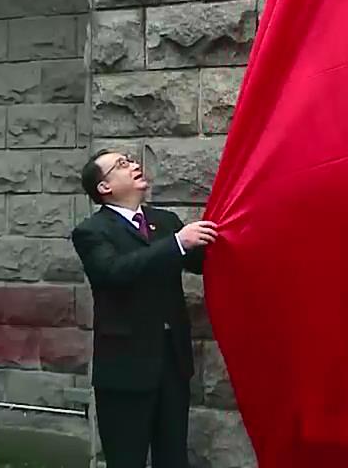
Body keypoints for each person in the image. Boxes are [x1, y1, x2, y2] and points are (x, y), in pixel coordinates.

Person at [71, 149, 218, 468]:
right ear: (105, 187)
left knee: (173, 458)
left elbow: (202, 263)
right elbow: (113, 272)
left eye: (131, 160)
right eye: (122, 165)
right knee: (127, 459)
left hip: (172, 362)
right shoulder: (92, 231)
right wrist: (177, 244)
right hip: (126, 368)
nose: (134, 165)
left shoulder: (165, 221)